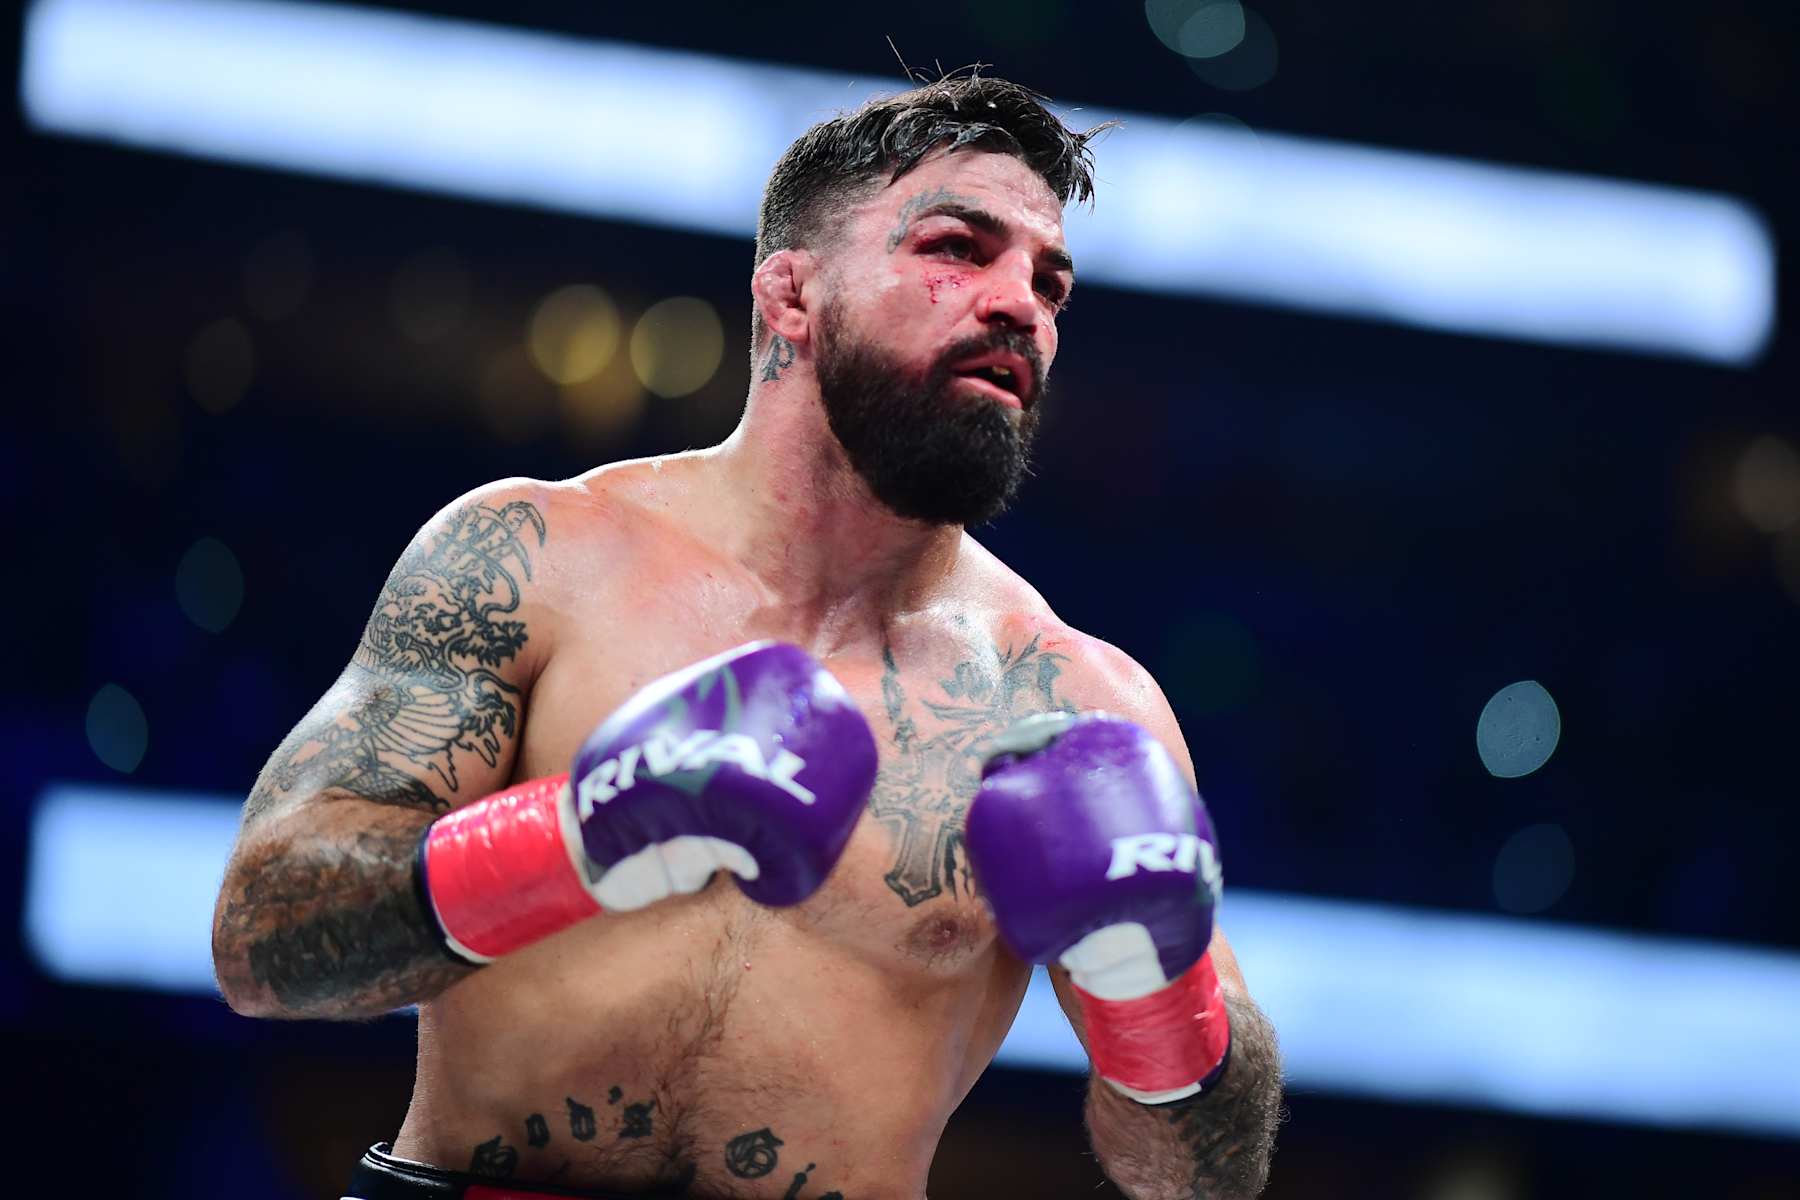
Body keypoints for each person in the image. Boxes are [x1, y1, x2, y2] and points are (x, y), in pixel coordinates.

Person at [211, 73, 1283, 1200]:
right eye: (960, 248)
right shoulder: (536, 557)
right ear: (790, 294)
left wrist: (1151, 995)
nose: (1022, 303)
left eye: (1050, 282)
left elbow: (1200, 1182)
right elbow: (262, 945)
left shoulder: (1072, 704)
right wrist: (579, 838)